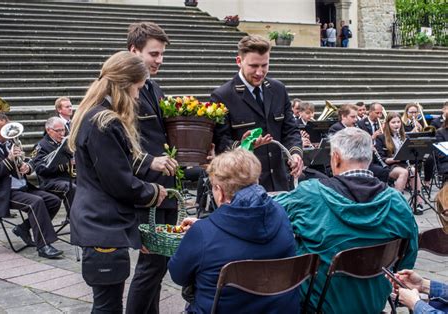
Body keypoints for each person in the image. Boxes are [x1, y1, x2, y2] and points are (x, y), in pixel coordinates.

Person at [273, 127, 418, 313]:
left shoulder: (310, 194)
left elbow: (266, 211)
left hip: (317, 305)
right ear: (370, 157)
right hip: (373, 302)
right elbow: (407, 258)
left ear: (336, 157)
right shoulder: (397, 202)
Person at [68, 51, 167, 313]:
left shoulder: (95, 114)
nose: (138, 95)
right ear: (125, 85)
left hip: (100, 222)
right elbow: (120, 182)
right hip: (102, 225)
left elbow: (115, 166)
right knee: (108, 307)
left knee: (107, 304)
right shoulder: (104, 121)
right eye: (138, 88)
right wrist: (154, 192)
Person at [168, 148, 299, 314]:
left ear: (220, 191)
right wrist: (206, 226)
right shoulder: (280, 214)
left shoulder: (202, 234)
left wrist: (203, 231)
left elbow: (178, 275)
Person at [126, 21, 180, 314]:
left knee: (157, 268)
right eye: (154, 54)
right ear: (134, 50)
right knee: (149, 269)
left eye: (161, 55)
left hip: (165, 188)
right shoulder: (123, 90)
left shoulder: (153, 86)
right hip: (147, 192)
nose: (160, 61)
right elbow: (124, 148)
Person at [211, 35, 303, 192]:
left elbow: (290, 130)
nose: (260, 72)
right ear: (239, 61)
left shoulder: (278, 89)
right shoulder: (223, 95)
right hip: (245, 184)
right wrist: (244, 145)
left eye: (265, 65)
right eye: (254, 66)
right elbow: (221, 142)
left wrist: (295, 154)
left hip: (280, 180)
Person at [0, 113, 63, 258]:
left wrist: (27, 166)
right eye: (3, 129)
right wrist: (9, 160)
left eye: (8, 128)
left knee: (53, 201)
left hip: (22, 187)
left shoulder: (10, 142)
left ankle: (23, 228)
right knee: (36, 202)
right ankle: (44, 246)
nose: (8, 133)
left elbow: (30, 161)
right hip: (4, 193)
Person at [375, 112, 423, 211]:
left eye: (398, 122)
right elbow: (381, 158)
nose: (396, 124)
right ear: (388, 124)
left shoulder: (404, 137)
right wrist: (395, 158)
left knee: (414, 170)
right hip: (389, 165)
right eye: (393, 122)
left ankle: (418, 202)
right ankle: (396, 202)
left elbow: (410, 154)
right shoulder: (381, 138)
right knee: (404, 172)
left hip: (403, 163)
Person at [32, 116, 76, 216]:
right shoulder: (40, 146)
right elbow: (39, 169)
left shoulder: (64, 142)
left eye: (63, 130)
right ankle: (73, 219)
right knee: (71, 188)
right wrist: (65, 165)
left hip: (67, 177)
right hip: (50, 181)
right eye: (58, 131)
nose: (62, 133)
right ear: (49, 130)